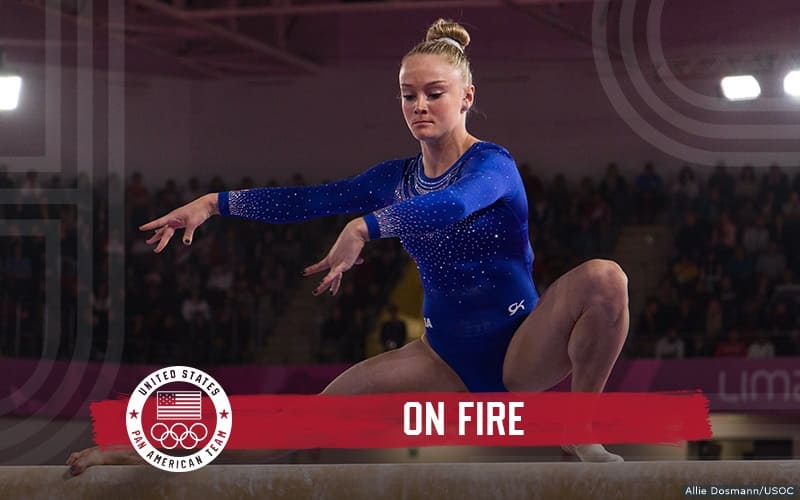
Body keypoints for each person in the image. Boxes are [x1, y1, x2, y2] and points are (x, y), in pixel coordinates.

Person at [67, 19, 628, 474]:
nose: (420, 105)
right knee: (299, 427)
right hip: (442, 357)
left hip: (521, 348)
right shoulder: (393, 178)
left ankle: (580, 428)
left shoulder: (493, 165)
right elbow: (309, 200)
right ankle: (143, 453)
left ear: (467, 97)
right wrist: (214, 203)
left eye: (435, 93)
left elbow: (455, 204)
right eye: (408, 95)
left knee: (605, 278)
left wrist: (366, 227)